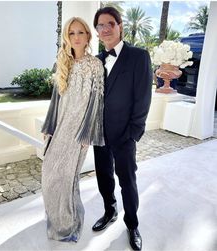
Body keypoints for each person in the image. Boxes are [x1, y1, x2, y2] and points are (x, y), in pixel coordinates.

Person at [92, 7, 152, 251]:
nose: (105, 29)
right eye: (100, 26)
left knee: (127, 181)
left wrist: (133, 133)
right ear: (96, 32)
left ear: (120, 26)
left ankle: (132, 224)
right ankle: (110, 211)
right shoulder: (96, 61)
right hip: (99, 134)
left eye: (110, 24)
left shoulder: (138, 56)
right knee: (103, 177)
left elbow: (143, 97)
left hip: (124, 135)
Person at [41, 17, 105, 243]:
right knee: (49, 174)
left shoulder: (95, 65)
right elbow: (55, 99)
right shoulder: (63, 62)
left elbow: (97, 100)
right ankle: (57, 216)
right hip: (60, 126)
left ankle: (68, 225)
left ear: (88, 36)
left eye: (80, 32)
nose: (76, 37)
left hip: (79, 130)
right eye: (71, 33)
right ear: (66, 37)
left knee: (68, 177)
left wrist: (88, 133)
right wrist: (49, 126)